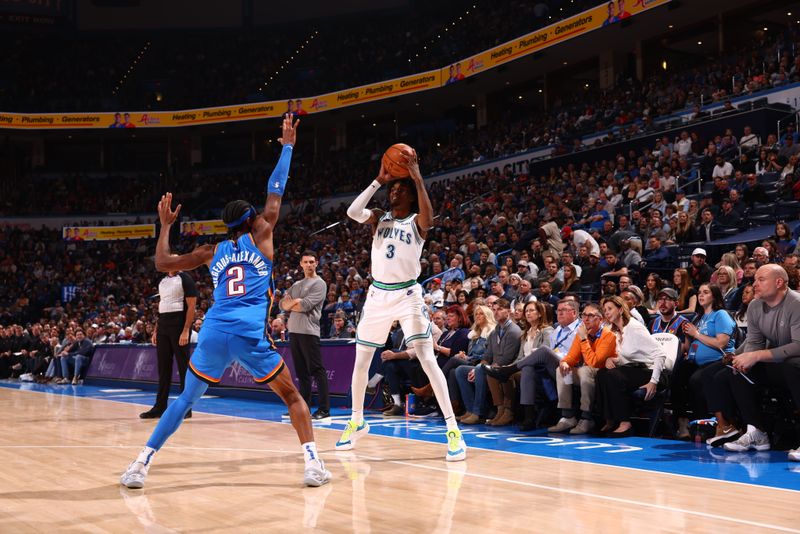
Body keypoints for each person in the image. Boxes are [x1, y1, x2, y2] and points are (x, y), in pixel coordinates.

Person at [121, 115, 332, 489]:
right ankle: (313, 465)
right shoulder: (263, 233)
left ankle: (139, 465)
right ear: (251, 220)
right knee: (292, 397)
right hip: (249, 332)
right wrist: (287, 146)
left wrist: (166, 226)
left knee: (185, 399)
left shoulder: (209, 251)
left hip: (215, 331)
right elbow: (276, 191)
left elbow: (162, 263)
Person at [336, 149, 467, 461]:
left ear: (409, 197)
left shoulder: (416, 222)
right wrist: (378, 180)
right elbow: (354, 212)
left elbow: (429, 219)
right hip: (378, 295)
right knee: (362, 360)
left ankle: (453, 430)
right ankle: (356, 420)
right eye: (391, 189)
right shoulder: (378, 218)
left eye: (398, 189)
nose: (393, 192)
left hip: (408, 295)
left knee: (426, 356)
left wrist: (418, 178)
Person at [707, 265, 800, 459]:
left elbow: (798, 347)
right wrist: (744, 359)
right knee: (738, 370)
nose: (755, 284)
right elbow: (755, 343)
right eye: (755, 279)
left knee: (793, 366)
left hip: (795, 363)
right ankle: (757, 431)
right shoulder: (756, 305)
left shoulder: (796, 303)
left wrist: (756, 356)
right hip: (780, 363)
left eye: (761, 279)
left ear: (779, 282)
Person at [595, 296, 669, 437]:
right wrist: (613, 360)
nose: (607, 313)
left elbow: (660, 354)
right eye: (605, 310)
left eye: (610, 309)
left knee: (614, 376)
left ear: (621, 309)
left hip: (654, 371)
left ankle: (625, 423)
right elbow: (627, 357)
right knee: (602, 374)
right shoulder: (616, 331)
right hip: (636, 369)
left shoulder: (634, 327)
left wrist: (653, 382)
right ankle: (610, 420)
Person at [673, 284, 735, 438]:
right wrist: (687, 338)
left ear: (714, 296)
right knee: (676, 375)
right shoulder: (698, 318)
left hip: (720, 360)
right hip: (696, 361)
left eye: (706, 292)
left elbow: (721, 343)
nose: (701, 295)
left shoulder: (720, 315)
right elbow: (689, 344)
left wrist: (696, 334)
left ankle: (705, 424)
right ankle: (683, 421)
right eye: (699, 292)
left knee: (696, 380)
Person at [548, 303, 616, 435]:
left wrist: (584, 339)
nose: (585, 319)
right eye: (584, 315)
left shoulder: (608, 335)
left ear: (600, 319)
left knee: (585, 370)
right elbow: (571, 356)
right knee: (561, 370)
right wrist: (565, 362)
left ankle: (587, 418)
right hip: (588, 373)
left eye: (590, 315)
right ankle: (567, 416)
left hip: (603, 374)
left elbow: (594, 362)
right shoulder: (582, 334)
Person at [140, 270, 198, 419]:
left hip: (179, 324)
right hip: (164, 325)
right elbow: (163, 305)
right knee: (163, 368)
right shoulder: (163, 280)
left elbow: (191, 307)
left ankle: (186, 408)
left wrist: (186, 330)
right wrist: (156, 330)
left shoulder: (185, 278)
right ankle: (160, 406)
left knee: (183, 367)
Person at [280, 250, 329, 420]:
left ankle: (324, 409)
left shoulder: (319, 284)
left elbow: (305, 306)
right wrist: (295, 302)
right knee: (301, 373)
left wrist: (292, 303)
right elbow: (282, 304)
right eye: (306, 262)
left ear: (316, 263)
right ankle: (304, 408)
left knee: (317, 370)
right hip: (294, 332)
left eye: (312, 262)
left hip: (309, 332)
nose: (309, 265)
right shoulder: (297, 284)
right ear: (300, 264)